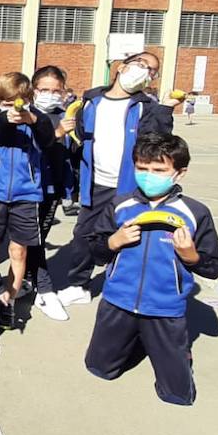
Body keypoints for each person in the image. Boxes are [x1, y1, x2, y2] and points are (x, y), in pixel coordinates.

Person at [83, 132, 218, 405]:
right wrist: (114, 241)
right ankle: (133, 338)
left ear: (179, 173)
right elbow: (94, 249)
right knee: (99, 369)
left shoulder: (195, 213)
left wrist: (191, 256)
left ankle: (170, 350)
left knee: (178, 394)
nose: (149, 175)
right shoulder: (120, 205)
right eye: (142, 168)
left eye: (159, 170)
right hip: (118, 301)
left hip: (164, 309)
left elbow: (215, 267)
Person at [42, 51, 177, 319]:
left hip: (128, 185)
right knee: (84, 235)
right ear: (122, 67)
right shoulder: (91, 100)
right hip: (96, 183)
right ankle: (80, 284)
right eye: (142, 65)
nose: (146, 72)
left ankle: (125, 287)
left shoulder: (146, 107)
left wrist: (166, 109)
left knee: (129, 238)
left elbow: (157, 140)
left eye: (152, 71)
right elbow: (80, 136)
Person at [0, 71, 65, 326]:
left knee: (18, 251)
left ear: (29, 99)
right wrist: (7, 116)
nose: (12, 108)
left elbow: (48, 138)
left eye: (17, 102)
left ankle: (10, 300)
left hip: (27, 195)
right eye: (5, 103)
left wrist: (31, 119)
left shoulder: (38, 121)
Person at [27, 65, 77, 321]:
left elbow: (72, 154)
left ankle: (28, 276)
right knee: (32, 238)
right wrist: (57, 134)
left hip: (53, 188)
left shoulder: (65, 115)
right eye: (44, 89)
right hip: (27, 188)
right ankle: (44, 288)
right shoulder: (26, 114)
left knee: (39, 236)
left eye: (55, 90)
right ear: (34, 90)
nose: (49, 94)